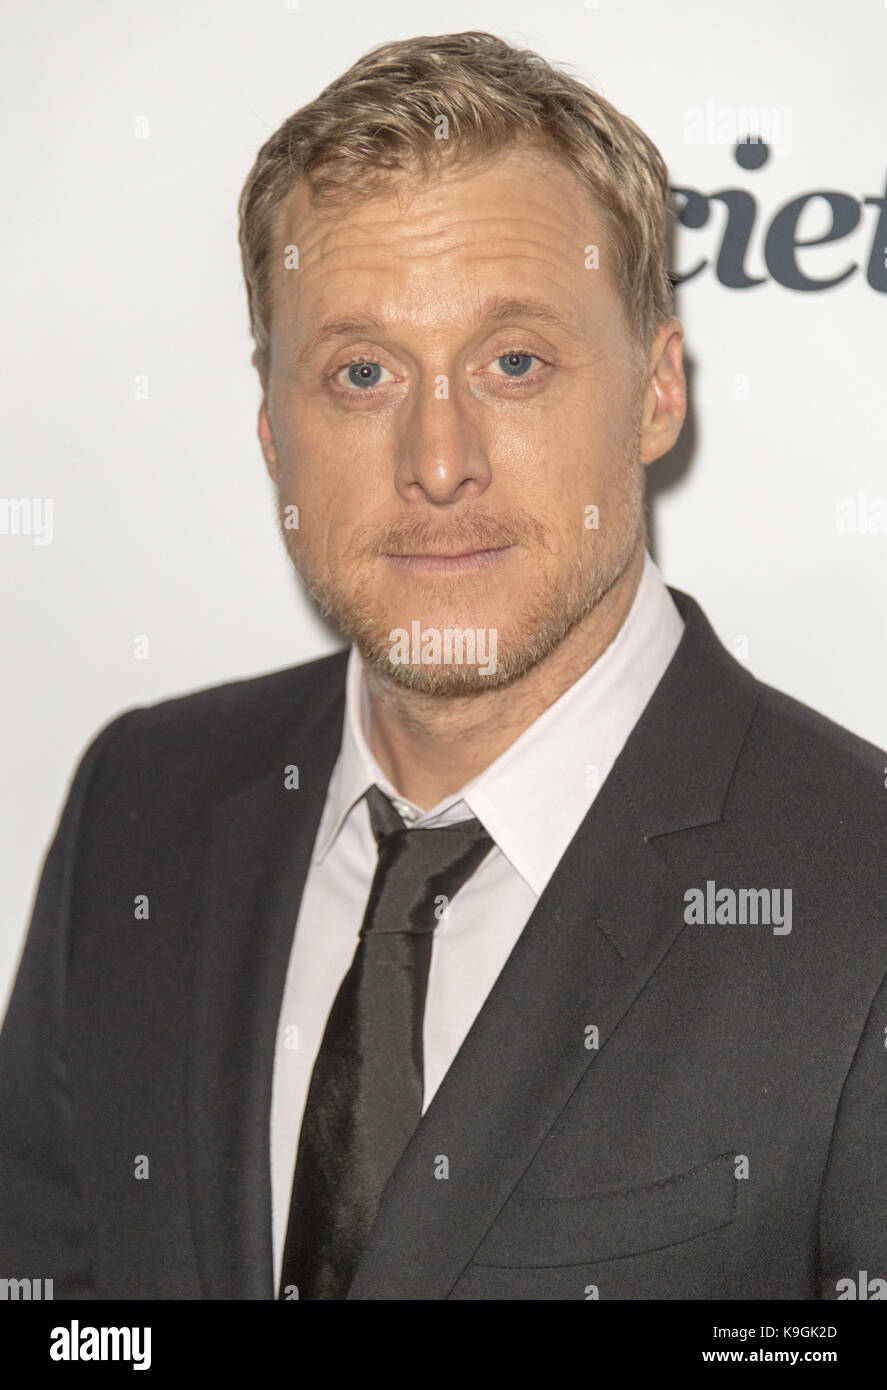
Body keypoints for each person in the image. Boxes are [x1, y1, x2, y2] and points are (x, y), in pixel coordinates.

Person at [1, 30, 885, 1302]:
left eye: (512, 362)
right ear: (271, 428)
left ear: (655, 391)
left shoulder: (860, 888)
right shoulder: (138, 803)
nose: (436, 460)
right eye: (361, 373)